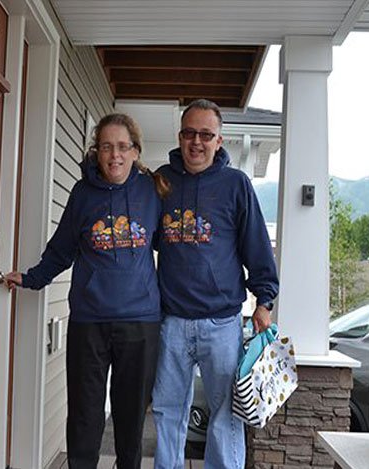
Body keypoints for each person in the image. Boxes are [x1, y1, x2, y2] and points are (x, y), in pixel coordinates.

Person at [5, 113, 169, 469]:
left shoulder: (151, 190)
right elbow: (62, 248)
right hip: (89, 322)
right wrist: (32, 277)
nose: (115, 155)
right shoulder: (82, 194)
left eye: (123, 147)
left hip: (140, 323)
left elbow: (169, 246)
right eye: (107, 147)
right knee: (84, 416)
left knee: (130, 422)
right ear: (97, 151)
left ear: (136, 151)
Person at [152, 99, 279, 469]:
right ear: (180, 136)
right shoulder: (162, 182)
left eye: (206, 135)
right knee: (167, 411)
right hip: (171, 321)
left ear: (219, 140)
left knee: (226, 416)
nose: (197, 142)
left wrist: (265, 300)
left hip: (221, 323)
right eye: (190, 133)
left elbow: (256, 246)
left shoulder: (236, 185)